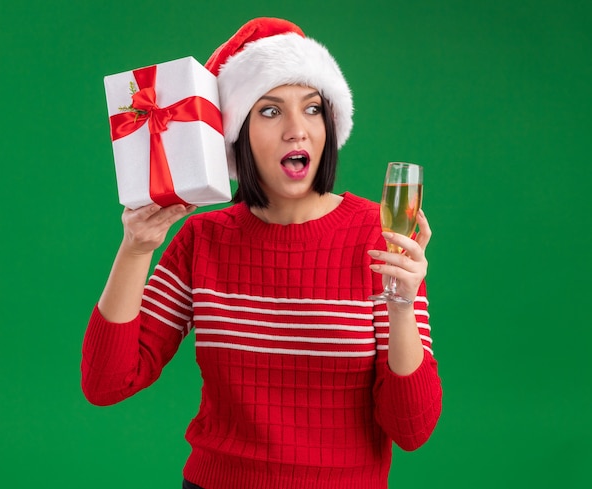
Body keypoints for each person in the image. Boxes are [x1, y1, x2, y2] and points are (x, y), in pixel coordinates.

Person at [82, 17, 442, 489]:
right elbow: (107, 383)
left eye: (312, 109)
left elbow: (411, 429)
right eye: (270, 112)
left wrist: (401, 306)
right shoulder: (203, 239)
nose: (297, 130)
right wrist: (135, 250)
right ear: (239, 135)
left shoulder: (381, 236)